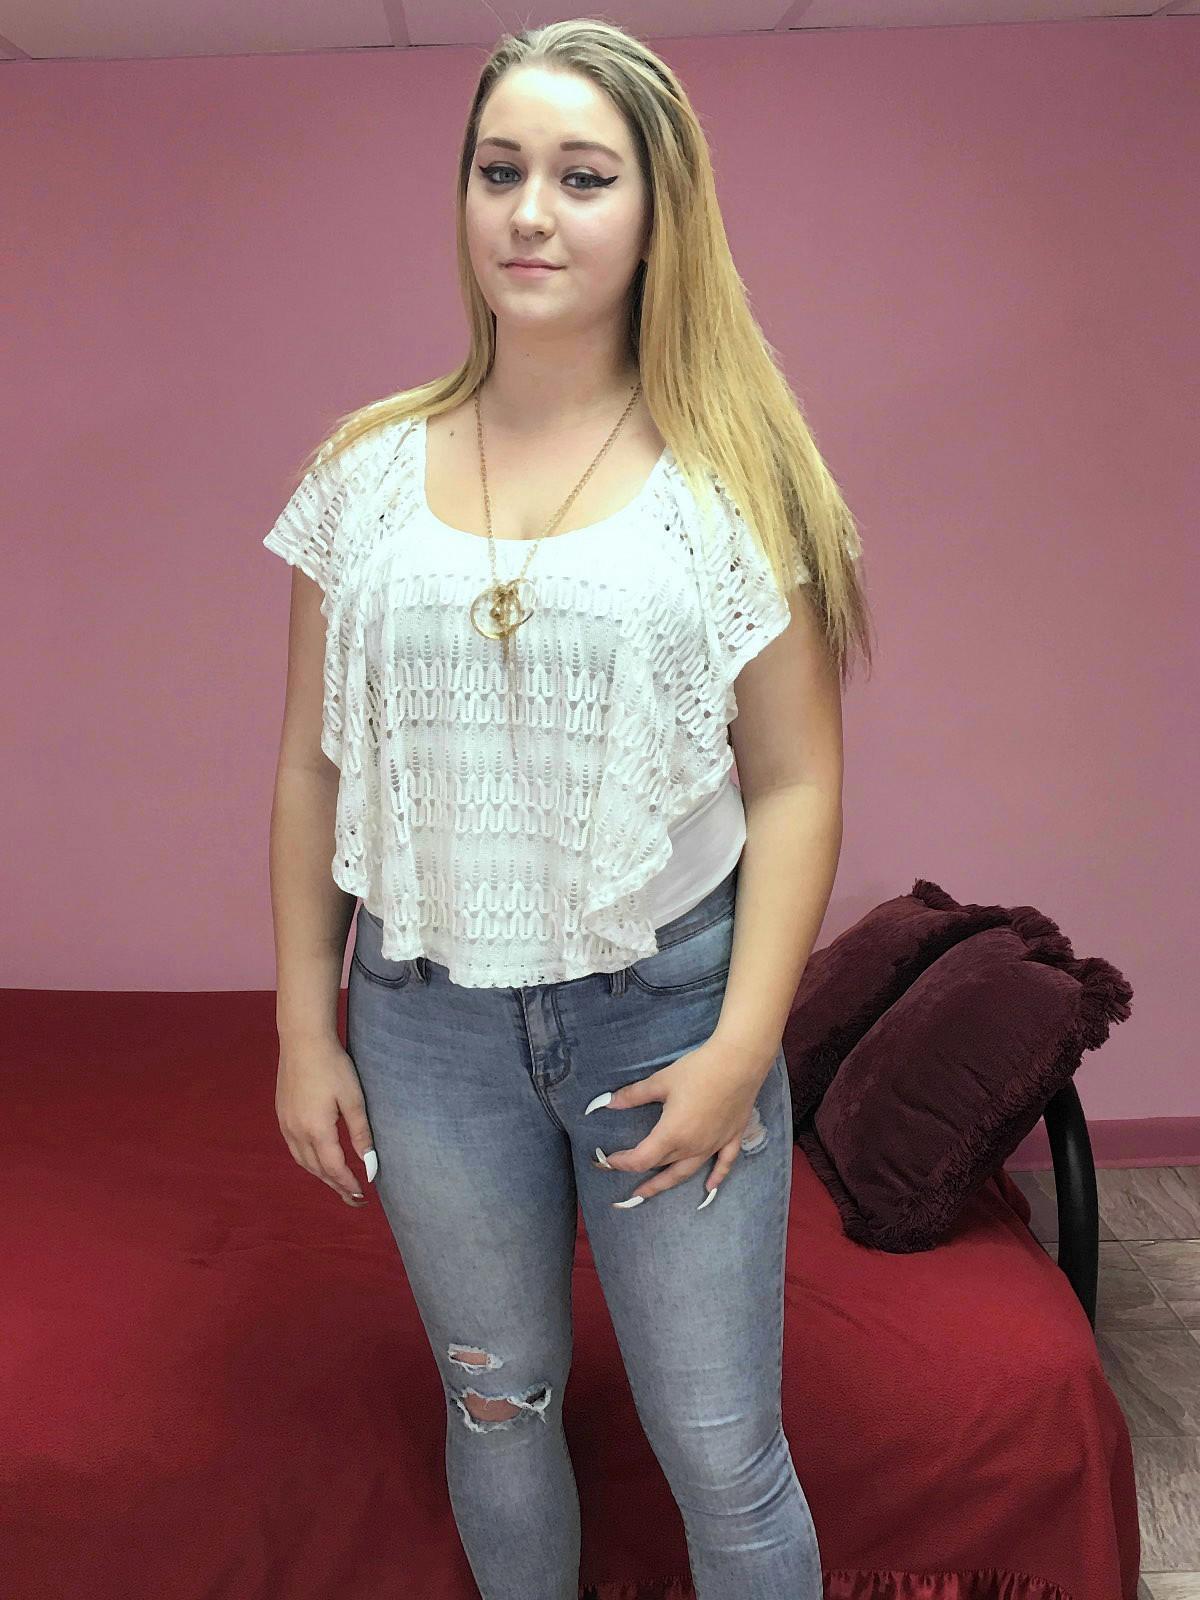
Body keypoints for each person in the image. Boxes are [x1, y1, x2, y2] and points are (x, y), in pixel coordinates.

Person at [264, 18, 872, 1599]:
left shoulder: (734, 481)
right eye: (501, 170)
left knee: (722, 1455)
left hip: (667, 1015)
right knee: (498, 1407)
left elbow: (798, 782)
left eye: (584, 177)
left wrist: (740, 1051)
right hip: (425, 1030)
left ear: (659, 213)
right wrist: (305, 1029)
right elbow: (314, 765)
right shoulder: (363, 472)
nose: (532, 211)